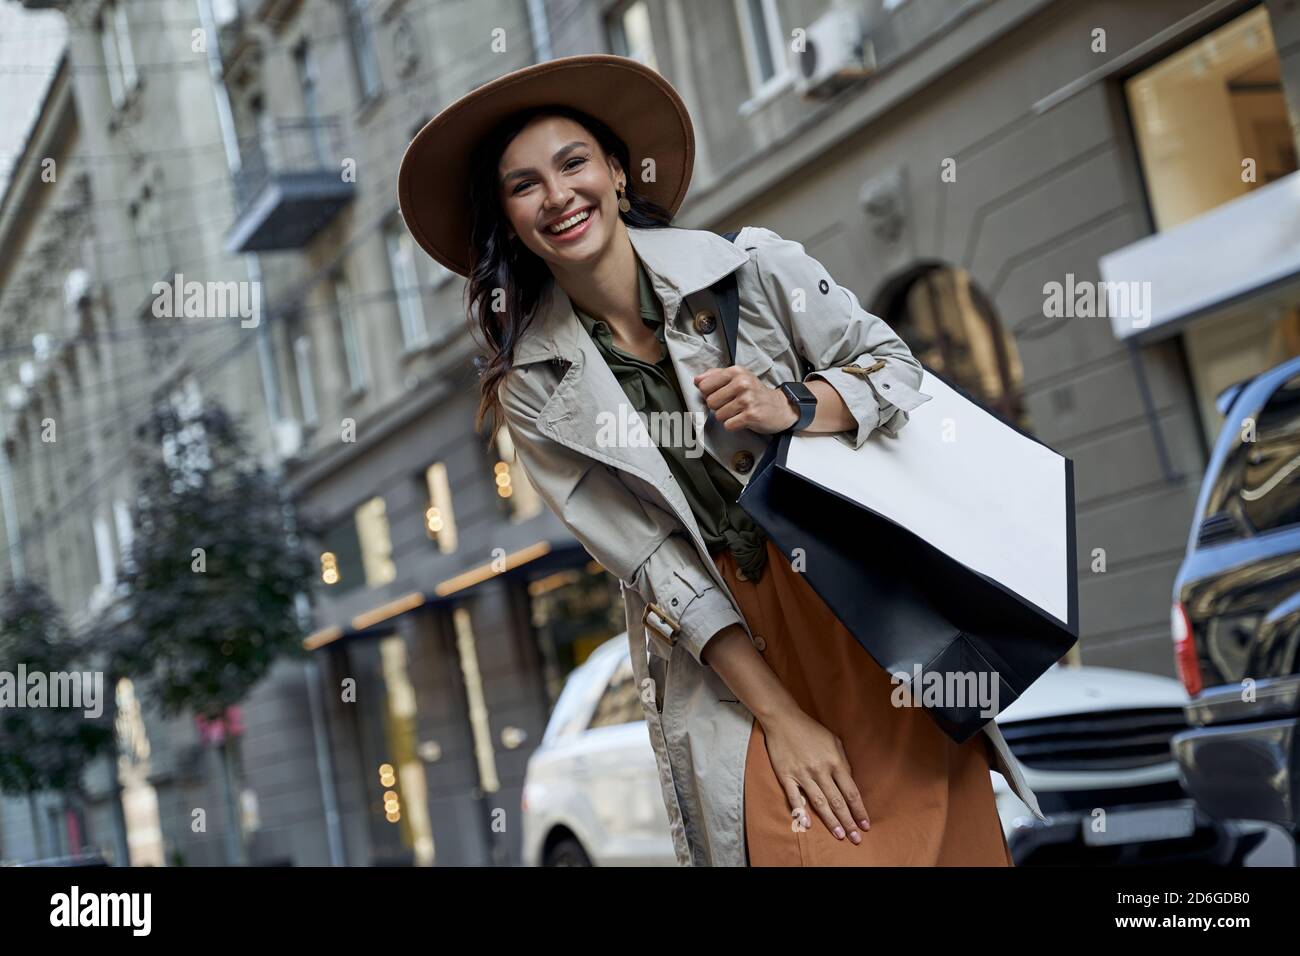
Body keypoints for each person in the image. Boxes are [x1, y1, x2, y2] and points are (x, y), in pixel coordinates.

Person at [398, 54, 1042, 866]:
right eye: (525, 185)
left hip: (862, 610)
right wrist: (781, 718)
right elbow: (651, 561)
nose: (557, 195)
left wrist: (795, 406)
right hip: (729, 651)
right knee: (801, 848)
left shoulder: (752, 269)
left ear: (619, 174)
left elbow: (894, 366)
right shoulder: (530, 388)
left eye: (573, 164)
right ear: (508, 217)